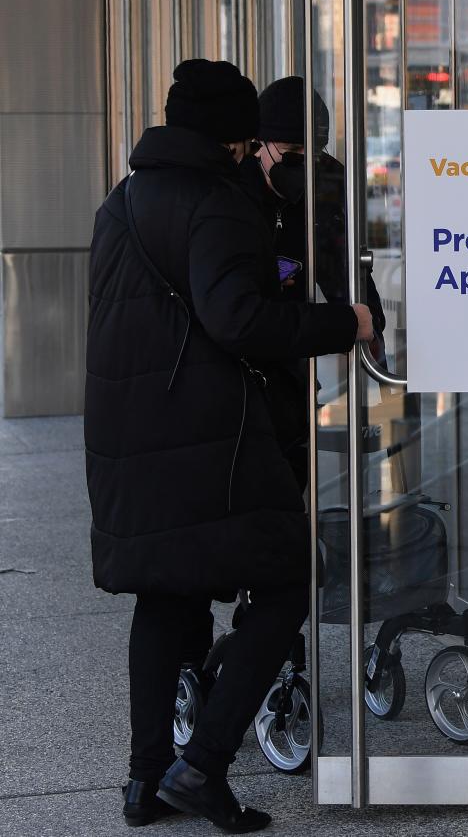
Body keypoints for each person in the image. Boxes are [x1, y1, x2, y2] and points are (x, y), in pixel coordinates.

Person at [84, 59, 373, 833]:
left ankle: (145, 785)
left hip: (131, 439)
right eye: (249, 144)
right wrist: (346, 325)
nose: (254, 158)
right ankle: (202, 766)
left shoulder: (123, 203)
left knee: (165, 599)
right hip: (207, 441)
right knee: (285, 584)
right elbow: (239, 319)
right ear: (233, 142)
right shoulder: (215, 206)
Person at [240, 75, 387, 490]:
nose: (304, 162)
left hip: (292, 367)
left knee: (291, 486)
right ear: (259, 146)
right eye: (291, 152)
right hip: (240, 371)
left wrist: (370, 327)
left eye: (314, 151)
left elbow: (343, 266)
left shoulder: (326, 185)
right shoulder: (232, 196)